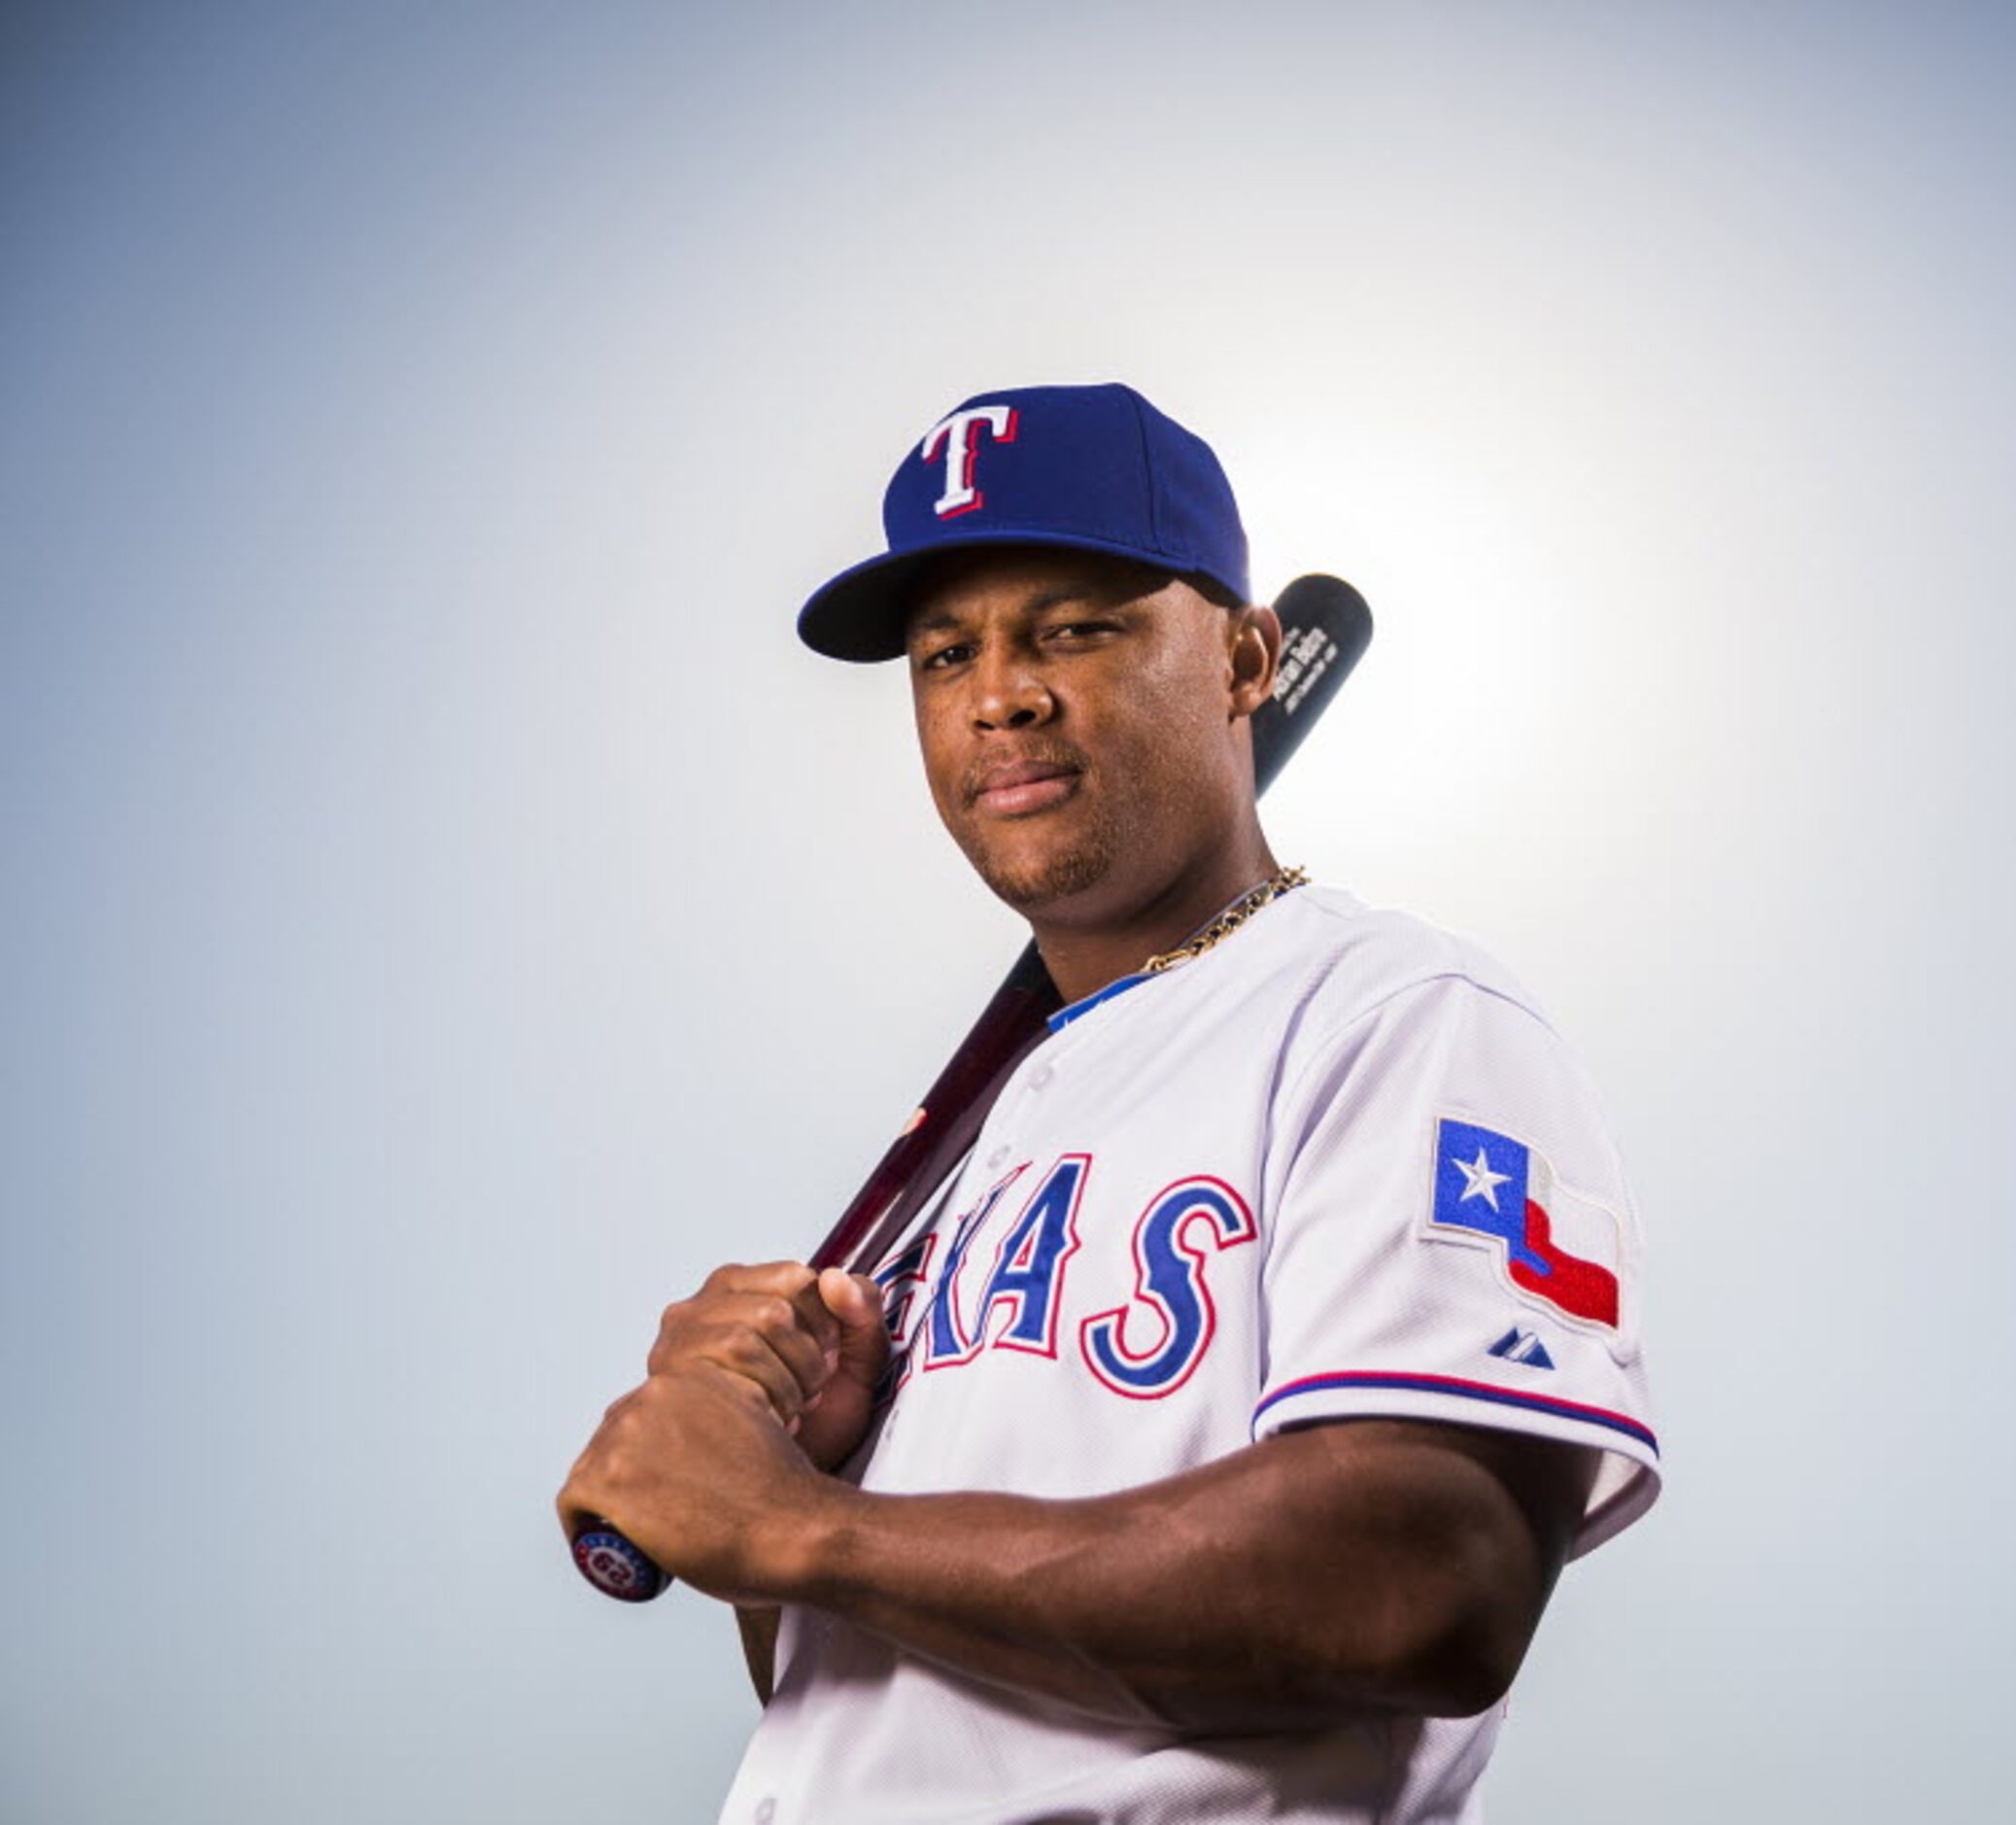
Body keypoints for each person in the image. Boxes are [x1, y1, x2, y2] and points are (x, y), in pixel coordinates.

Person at [557, 382, 1659, 1824]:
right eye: (947, 651)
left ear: (1248, 659)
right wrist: (799, 1485)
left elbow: (1421, 1577)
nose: (998, 692)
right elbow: (880, 1705)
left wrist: (804, 1526)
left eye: (1073, 627)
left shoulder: (1395, 1014)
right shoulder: (995, 1138)